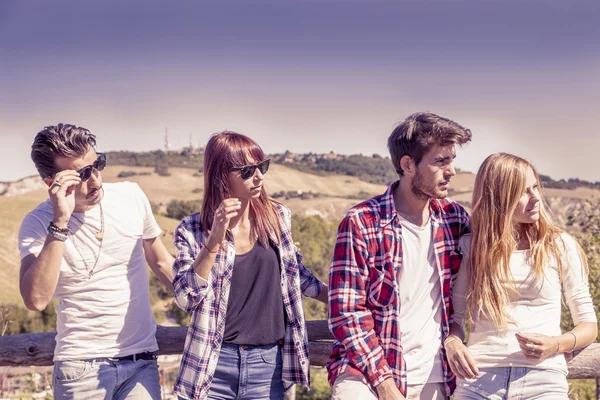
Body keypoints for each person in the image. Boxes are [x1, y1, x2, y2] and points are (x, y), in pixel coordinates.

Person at [18, 123, 174, 400]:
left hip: (141, 362)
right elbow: (36, 300)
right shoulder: (37, 222)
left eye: (97, 165)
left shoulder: (131, 195)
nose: (95, 180)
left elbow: (162, 263)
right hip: (80, 368)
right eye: (81, 175)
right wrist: (60, 223)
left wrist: (212, 304)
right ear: (50, 182)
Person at [171, 131, 328, 400]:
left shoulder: (277, 218)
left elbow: (297, 276)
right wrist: (214, 240)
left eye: (261, 167)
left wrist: (343, 302)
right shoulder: (192, 229)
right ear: (221, 175)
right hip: (213, 366)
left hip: (267, 366)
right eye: (246, 171)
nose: (258, 177)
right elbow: (186, 298)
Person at [327, 112, 473, 400]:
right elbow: (346, 312)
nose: (452, 171)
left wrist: (455, 335)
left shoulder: (454, 219)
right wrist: (384, 383)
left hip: (437, 372)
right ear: (408, 164)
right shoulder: (362, 222)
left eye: (452, 160)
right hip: (367, 374)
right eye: (441, 161)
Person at [446, 153, 598, 399]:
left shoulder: (560, 246)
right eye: (523, 192)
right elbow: (457, 320)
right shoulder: (471, 248)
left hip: (544, 380)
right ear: (499, 199)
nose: (536, 197)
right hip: (477, 379)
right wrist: (452, 343)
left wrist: (556, 344)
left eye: (535, 186)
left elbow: (589, 326)